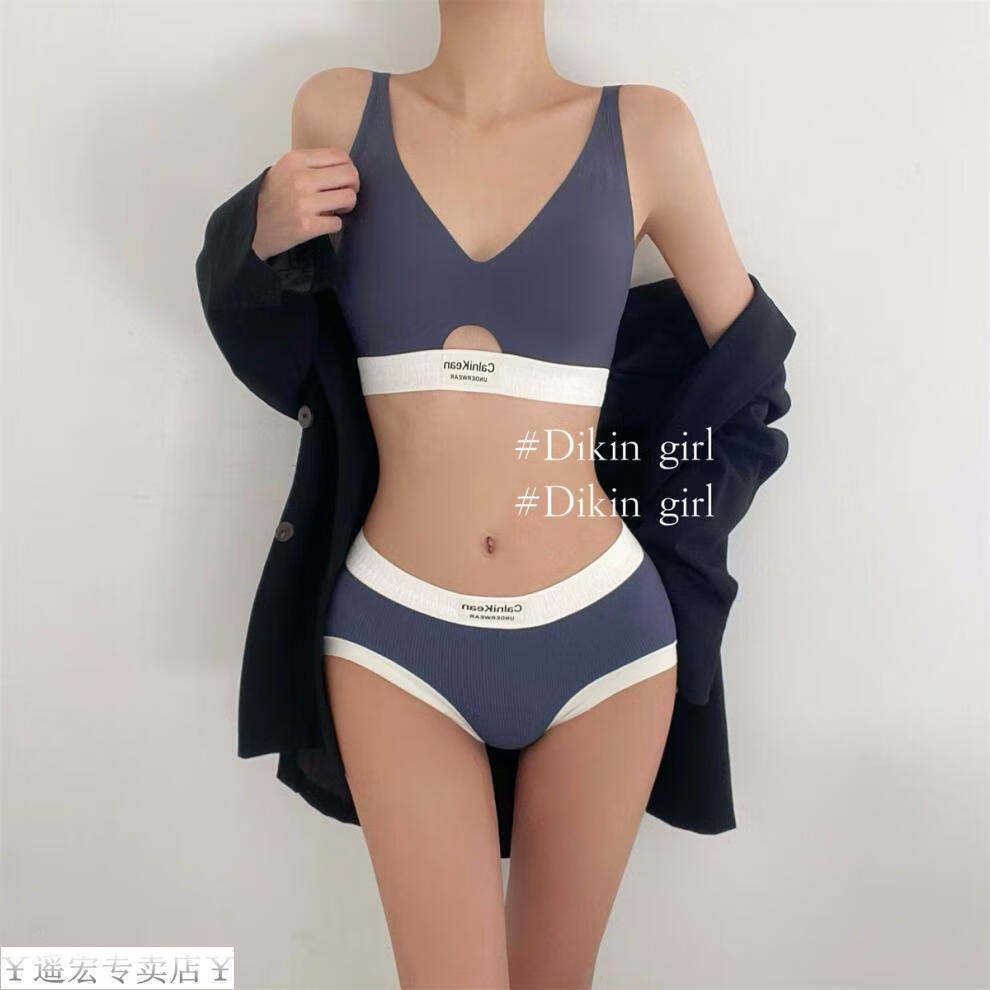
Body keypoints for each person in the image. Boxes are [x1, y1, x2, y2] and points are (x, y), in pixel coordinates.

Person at [242, 3, 756, 986]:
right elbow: (290, 363)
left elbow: (749, 380)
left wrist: (680, 521)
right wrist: (250, 243)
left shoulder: (649, 130)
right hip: (395, 636)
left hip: (604, 637)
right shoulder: (336, 111)